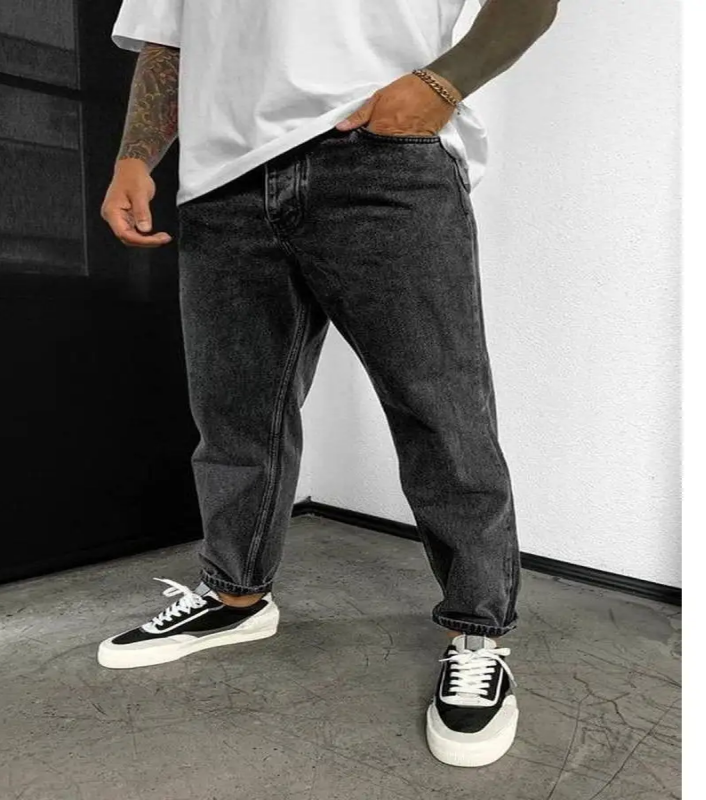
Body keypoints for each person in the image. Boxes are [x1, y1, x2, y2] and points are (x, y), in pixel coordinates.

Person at [98, 0, 559, 768]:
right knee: (236, 414)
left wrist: (440, 87)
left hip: (382, 156)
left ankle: (477, 634)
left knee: (440, 411)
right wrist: (134, 157)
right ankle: (236, 595)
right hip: (221, 180)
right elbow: (168, 34)